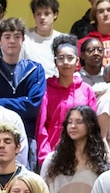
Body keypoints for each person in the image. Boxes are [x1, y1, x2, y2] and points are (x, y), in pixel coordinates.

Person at [41, 106, 109, 193]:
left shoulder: (102, 160)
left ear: (90, 125)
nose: (73, 126)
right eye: (70, 122)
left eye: (79, 121)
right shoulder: (52, 160)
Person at [37, 35, 96, 164]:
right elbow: (42, 127)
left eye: (70, 58)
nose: (65, 62)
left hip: (82, 157)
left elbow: (92, 126)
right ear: (55, 61)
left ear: (77, 62)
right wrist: (45, 157)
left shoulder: (86, 90)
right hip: (53, 155)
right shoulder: (46, 89)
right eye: (61, 58)